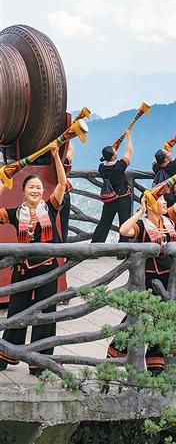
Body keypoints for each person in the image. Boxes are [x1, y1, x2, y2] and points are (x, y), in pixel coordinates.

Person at [106, 165, 176, 375]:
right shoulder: (143, 224)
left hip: (168, 278)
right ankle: (115, 353)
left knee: (162, 320)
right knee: (136, 318)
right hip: (148, 280)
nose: (165, 202)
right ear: (151, 204)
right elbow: (124, 230)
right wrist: (140, 211)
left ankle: (156, 363)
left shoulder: (169, 219)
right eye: (161, 200)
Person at [0, 144, 67, 376]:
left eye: (39, 187)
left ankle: (40, 362)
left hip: (48, 270)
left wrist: (56, 156)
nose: (36, 190)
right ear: (23, 191)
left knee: (46, 314)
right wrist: (3, 182)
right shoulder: (15, 213)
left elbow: (62, 184)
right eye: (31, 187)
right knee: (17, 312)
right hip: (22, 270)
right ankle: (6, 355)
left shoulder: (50, 208)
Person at [91, 130, 133, 243]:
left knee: (104, 223)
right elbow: (129, 151)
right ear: (114, 156)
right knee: (124, 223)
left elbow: (110, 153)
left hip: (109, 199)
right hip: (123, 198)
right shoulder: (120, 166)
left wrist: (116, 144)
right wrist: (128, 137)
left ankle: (96, 245)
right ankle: (123, 247)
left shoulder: (101, 167)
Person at [152, 130, 176, 207]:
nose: (169, 152)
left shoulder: (155, 167)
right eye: (168, 153)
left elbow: (166, 149)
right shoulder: (174, 166)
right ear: (166, 159)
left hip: (160, 199)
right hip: (174, 198)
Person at [60, 141, 74, 243]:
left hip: (49, 197)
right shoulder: (63, 161)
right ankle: (62, 245)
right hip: (63, 194)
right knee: (63, 224)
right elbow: (70, 149)